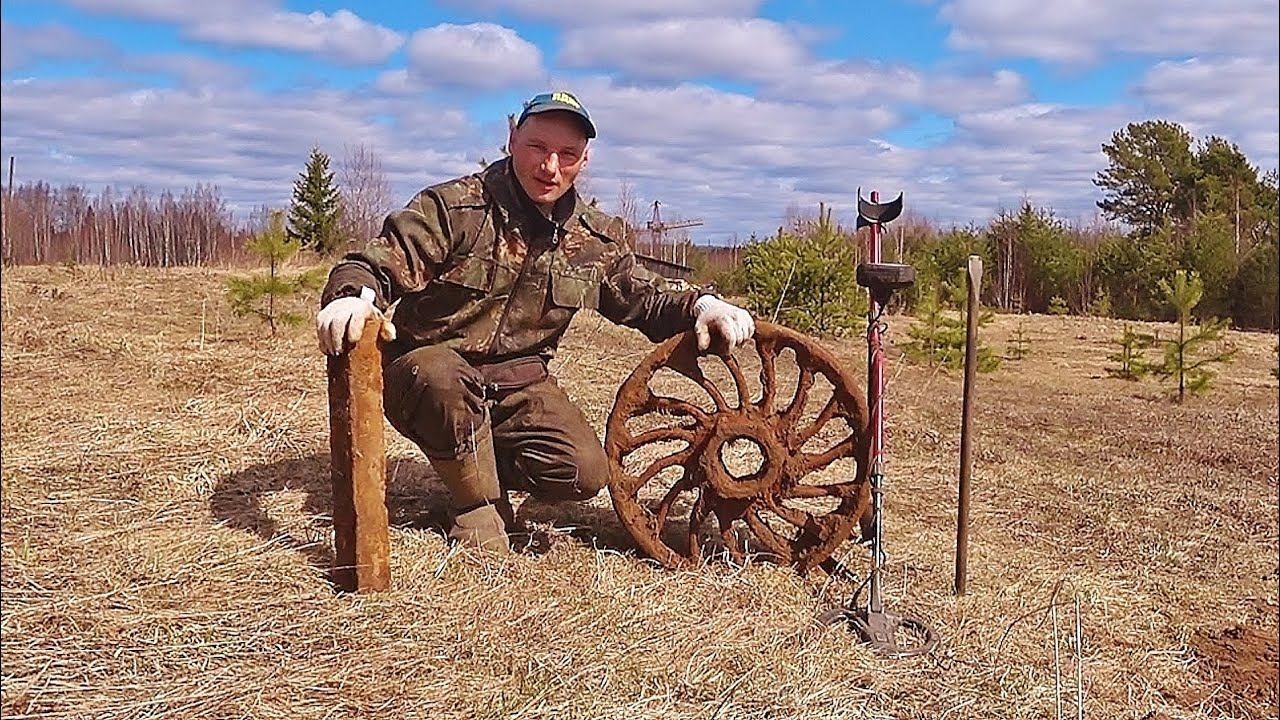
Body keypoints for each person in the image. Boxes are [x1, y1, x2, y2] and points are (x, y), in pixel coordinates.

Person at [315, 91, 754, 554]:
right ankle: (475, 505)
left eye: (566, 155)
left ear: (584, 160)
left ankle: (476, 462)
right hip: (426, 374)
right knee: (441, 378)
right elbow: (375, 262)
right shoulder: (454, 207)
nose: (550, 167)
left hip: (516, 385)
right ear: (511, 138)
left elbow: (642, 296)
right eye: (537, 148)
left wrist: (701, 305)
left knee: (584, 471)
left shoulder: (595, 237)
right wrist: (352, 299)